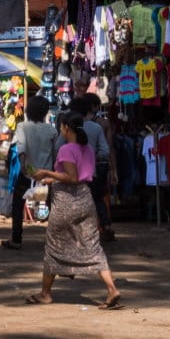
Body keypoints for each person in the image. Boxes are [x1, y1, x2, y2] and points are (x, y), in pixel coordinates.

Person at [25, 114, 122, 308]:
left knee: (53, 246)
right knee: (92, 245)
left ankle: (45, 293)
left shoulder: (66, 149)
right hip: (85, 200)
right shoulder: (87, 149)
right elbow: (80, 176)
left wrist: (46, 173)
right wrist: (51, 179)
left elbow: (72, 177)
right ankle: (112, 289)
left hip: (66, 202)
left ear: (65, 128)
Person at [2, 96, 57, 250]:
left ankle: (16, 239)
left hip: (28, 173)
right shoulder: (52, 130)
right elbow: (55, 153)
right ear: (45, 112)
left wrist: (24, 168)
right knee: (53, 207)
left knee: (18, 205)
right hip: (47, 174)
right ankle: (56, 241)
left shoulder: (22, 127)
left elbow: (21, 148)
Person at [74, 93, 116, 243]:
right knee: (97, 198)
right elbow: (106, 149)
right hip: (96, 169)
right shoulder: (98, 126)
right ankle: (106, 226)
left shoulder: (71, 126)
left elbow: (59, 148)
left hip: (76, 171)